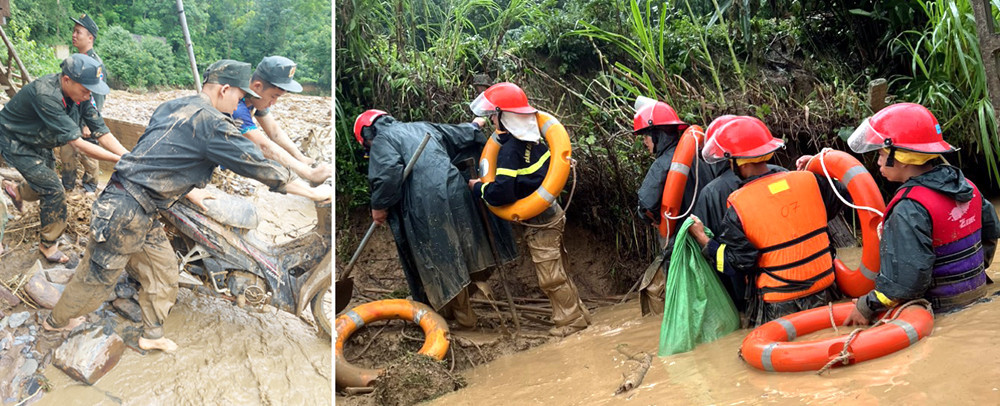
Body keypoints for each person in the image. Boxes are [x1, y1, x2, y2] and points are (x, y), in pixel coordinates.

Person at [44, 60, 332, 352]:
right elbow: (257, 165)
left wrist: (189, 192)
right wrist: (311, 192)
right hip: (125, 211)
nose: (240, 103)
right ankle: (55, 322)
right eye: (238, 96)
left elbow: (161, 158)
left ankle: (151, 335)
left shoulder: (174, 106)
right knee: (96, 279)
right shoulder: (214, 123)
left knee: (164, 271)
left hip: (143, 207)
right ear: (224, 89)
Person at [355, 109, 516, 328]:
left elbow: (387, 175)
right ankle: (468, 296)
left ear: (367, 136)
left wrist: (379, 206)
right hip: (456, 190)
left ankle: (464, 319)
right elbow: (460, 134)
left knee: (442, 258)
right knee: (466, 246)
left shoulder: (383, 140)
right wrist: (474, 126)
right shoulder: (421, 126)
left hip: (426, 203)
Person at [841, 103, 999, 325]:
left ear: (901, 157)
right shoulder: (968, 188)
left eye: (880, 154)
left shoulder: (909, 208)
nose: (877, 162)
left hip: (941, 315)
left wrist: (866, 306)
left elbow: (905, 284)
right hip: (978, 297)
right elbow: (990, 233)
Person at [686, 115, 849, 327]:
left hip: (779, 303)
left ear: (736, 162)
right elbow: (842, 196)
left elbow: (737, 263)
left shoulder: (737, 206)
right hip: (825, 290)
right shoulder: (809, 180)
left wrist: (704, 241)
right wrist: (816, 166)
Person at [467, 82, 591, 337]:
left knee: (550, 276)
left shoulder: (510, 151)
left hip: (541, 221)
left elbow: (501, 193)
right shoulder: (532, 141)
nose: (492, 121)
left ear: (504, 117)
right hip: (552, 213)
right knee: (559, 269)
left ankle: (571, 322)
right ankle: (578, 314)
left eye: (493, 116)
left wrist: (478, 188)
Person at [0, 53, 129, 264]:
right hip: (15, 139)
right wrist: (119, 160)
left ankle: (16, 191)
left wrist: (128, 156)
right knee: (53, 189)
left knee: (43, 183)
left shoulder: (83, 95)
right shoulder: (45, 94)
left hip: (40, 138)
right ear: (67, 80)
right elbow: (78, 144)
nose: (89, 95)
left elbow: (101, 131)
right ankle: (48, 244)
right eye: (85, 90)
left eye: (91, 91)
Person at [633, 97, 725, 315]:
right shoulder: (702, 156)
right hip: (712, 237)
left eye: (646, 135)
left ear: (658, 134)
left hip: (682, 244)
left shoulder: (662, 164)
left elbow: (645, 206)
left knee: (679, 303)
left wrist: (654, 219)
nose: (644, 141)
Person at [689, 115, 786, 311]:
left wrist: (703, 240)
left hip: (754, 298)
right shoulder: (786, 176)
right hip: (803, 283)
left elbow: (735, 262)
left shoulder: (711, 194)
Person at [230, 56, 330, 185]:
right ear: (257, 86)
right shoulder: (236, 105)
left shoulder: (254, 97)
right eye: (273, 96)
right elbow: (263, 146)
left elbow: (274, 131)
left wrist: (300, 158)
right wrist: (309, 173)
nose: (273, 103)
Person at [59, 13, 105, 193]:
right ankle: (67, 187)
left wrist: (87, 124)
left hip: (86, 116)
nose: (74, 35)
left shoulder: (96, 64)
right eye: (74, 31)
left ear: (90, 38)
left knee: (90, 156)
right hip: (70, 116)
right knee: (67, 152)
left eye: (79, 32)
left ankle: (90, 188)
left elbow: (98, 97)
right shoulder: (74, 61)